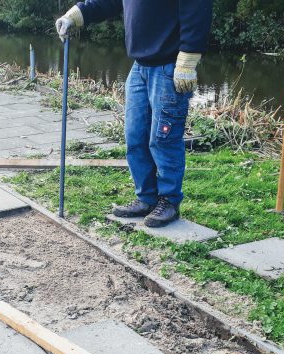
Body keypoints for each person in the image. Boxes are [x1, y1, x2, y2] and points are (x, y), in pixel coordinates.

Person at [56, 1, 212, 227]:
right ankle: (146, 198)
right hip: (139, 66)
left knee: (163, 139)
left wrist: (188, 59)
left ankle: (169, 201)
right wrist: (74, 15)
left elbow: (197, 7)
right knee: (135, 136)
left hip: (169, 67)